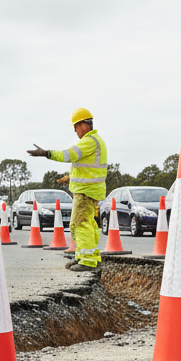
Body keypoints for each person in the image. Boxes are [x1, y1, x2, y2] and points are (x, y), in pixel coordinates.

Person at [28, 107, 107, 272]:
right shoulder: (94, 141)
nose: (75, 130)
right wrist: (71, 176)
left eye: (75, 126)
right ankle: (83, 256)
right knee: (79, 224)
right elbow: (88, 169)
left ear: (83, 125)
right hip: (88, 190)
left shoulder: (89, 141)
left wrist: (46, 153)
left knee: (82, 224)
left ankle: (88, 261)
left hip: (86, 191)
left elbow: (68, 155)